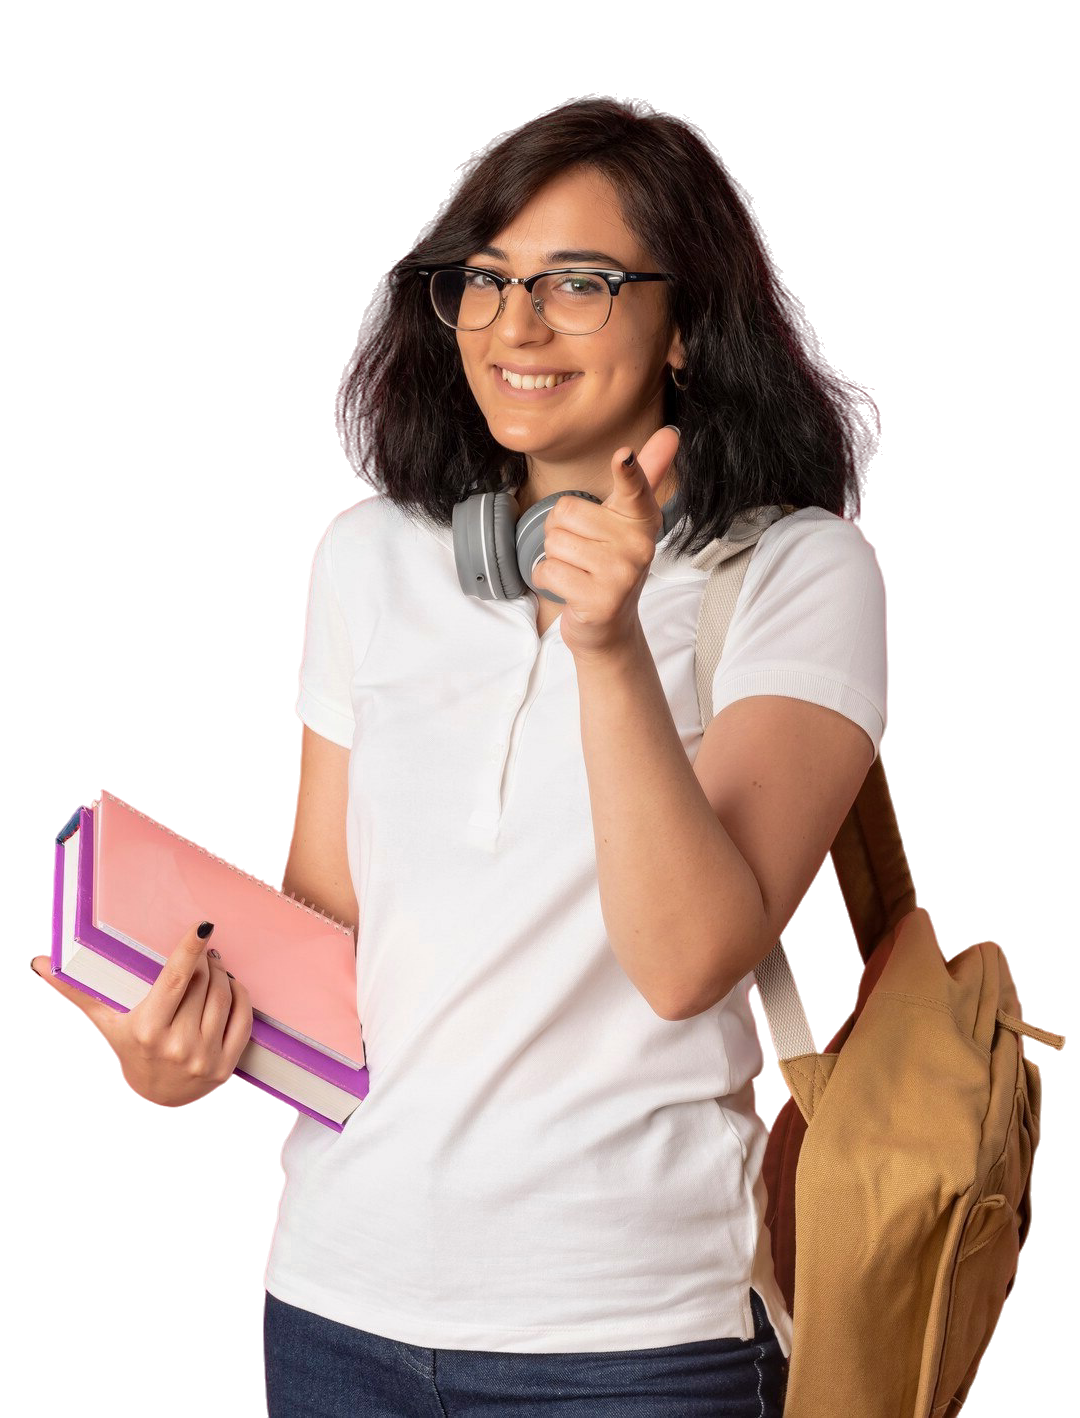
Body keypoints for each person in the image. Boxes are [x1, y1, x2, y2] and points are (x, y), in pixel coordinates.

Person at [31, 96, 886, 1416]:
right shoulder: (367, 555)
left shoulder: (796, 572)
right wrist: (179, 1052)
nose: (513, 326)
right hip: (337, 1299)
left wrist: (608, 648)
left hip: (634, 1337)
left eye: (578, 283)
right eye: (484, 280)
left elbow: (688, 960)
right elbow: (328, 923)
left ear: (688, 324)